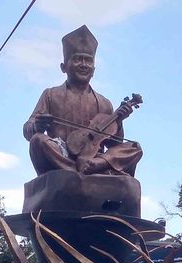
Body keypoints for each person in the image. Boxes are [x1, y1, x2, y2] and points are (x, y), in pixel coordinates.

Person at [23, 25, 143, 176]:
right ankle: (78, 171)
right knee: (37, 141)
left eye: (88, 61)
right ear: (63, 67)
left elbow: (114, 144)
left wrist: (119, 122)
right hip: (61, 154)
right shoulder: (50, 94)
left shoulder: (104, 103)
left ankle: (98, 165)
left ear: (93, 69)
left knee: (134, 147)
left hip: (93, 159)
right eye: (78, 59)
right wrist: (36, 126)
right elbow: (28, 130)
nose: (83, 65)